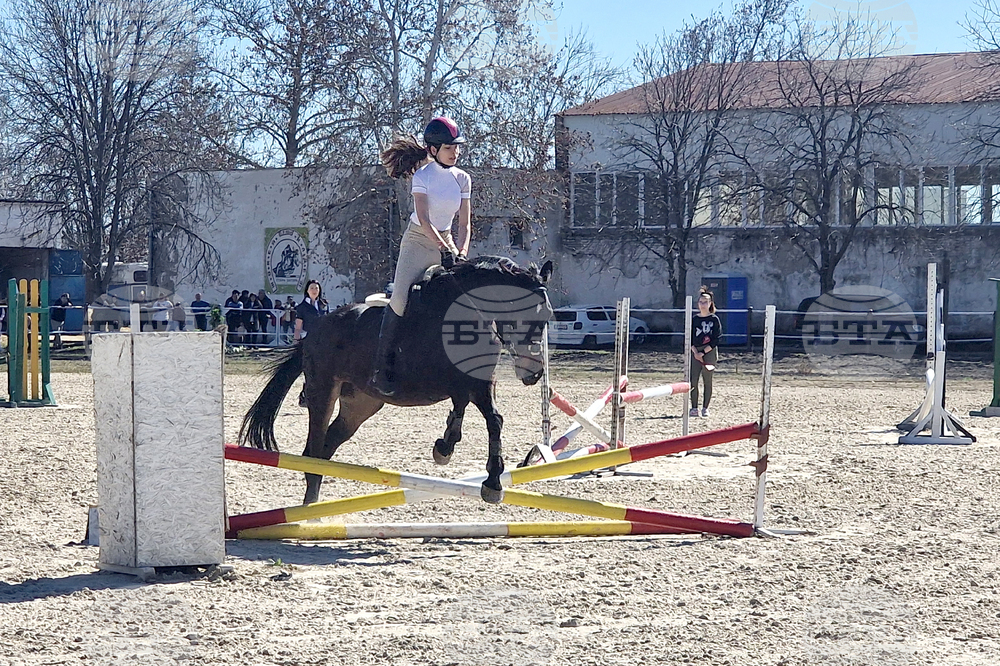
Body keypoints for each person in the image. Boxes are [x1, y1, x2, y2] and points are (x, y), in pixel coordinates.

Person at [371, 116, 472, 395]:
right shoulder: (422, 177)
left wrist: (461, 252)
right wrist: (444, 250)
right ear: (433, 149)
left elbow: (464, 224)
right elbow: (425, 220)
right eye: (449, 148)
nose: (455, 153)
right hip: (418, 241)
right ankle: (382, 368)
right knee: (401, 300)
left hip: (448, 240)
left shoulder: (463, 179)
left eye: (457, 148)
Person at [689, 286, 722, 418]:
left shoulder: (714, 319)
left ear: (710, 304)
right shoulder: (695, 319)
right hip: (695, 350)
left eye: (706, 302)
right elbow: (689, 336)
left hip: (709, 351)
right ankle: (694, 407)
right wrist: (695, 352)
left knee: (707, 380)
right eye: (701, 302)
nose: (703, 304)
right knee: (693, 380)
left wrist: (704, 352)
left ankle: (705, 408)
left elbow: (717, 338)